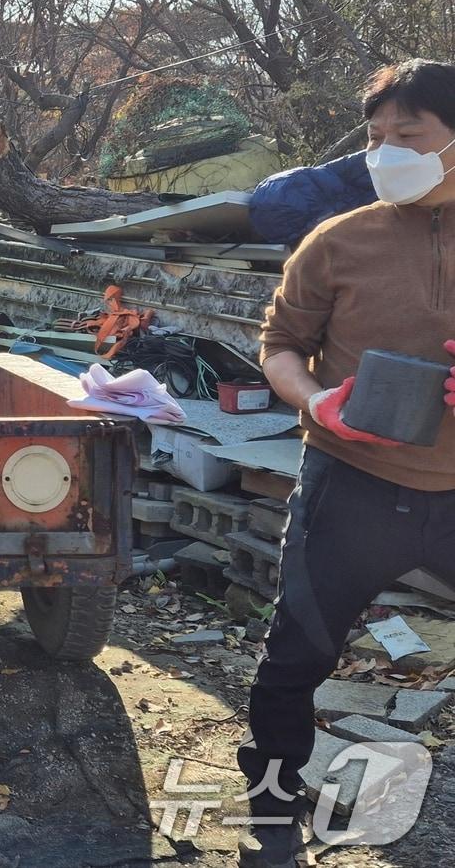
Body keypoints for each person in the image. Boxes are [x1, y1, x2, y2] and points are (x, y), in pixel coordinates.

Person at [237, 59, 455, 868]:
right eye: (375, 137)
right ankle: (270, 813)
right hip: (349, 489)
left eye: (410, 134)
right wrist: (312, 401)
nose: (386, 151)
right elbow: (281, 344)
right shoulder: (338, 240)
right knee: (295, 656)